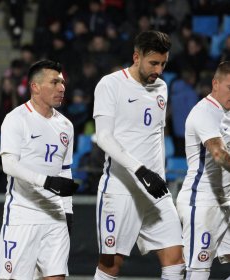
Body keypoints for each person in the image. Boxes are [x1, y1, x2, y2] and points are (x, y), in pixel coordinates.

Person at [92, 30, 185, 279]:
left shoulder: (162, 88)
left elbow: (156, 137)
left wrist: (158, 175)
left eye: (163, 64)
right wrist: (141, 170)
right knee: (111, 266)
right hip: (122, 188)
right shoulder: (110, 84)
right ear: (136, 56)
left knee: (176, 260)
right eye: (153, 63)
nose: (159, 70)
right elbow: (103, 138)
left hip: (156, 190)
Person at [0, 60, 79, 280]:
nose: (62, 88)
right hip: (24, 214)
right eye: (55, 82)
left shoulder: (66, 126)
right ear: (35, 86)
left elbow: (65, 170)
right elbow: (9, 165)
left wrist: (67, 212)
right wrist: (46, 182)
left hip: (55, 215)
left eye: (62, 82)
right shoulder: (16, 119)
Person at [176, 61, 230, 279]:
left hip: (225, 202)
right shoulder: (204, 112)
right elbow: (218, 154)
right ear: (215, 84)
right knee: (198, 272)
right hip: (202, 202)